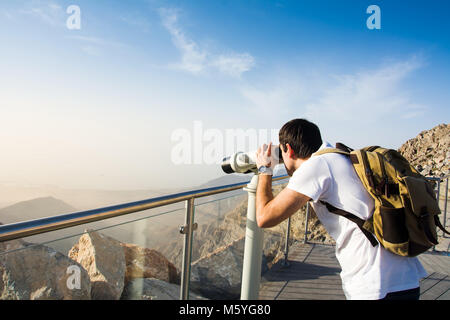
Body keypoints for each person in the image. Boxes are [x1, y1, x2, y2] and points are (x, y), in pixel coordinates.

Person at [254, 118, 427, 300]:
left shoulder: (316, 166)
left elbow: (264, 217)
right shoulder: (343, 155)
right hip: (405, 278)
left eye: (281, 152)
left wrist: (265, 169)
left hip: (374, 284)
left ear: (288, 149)